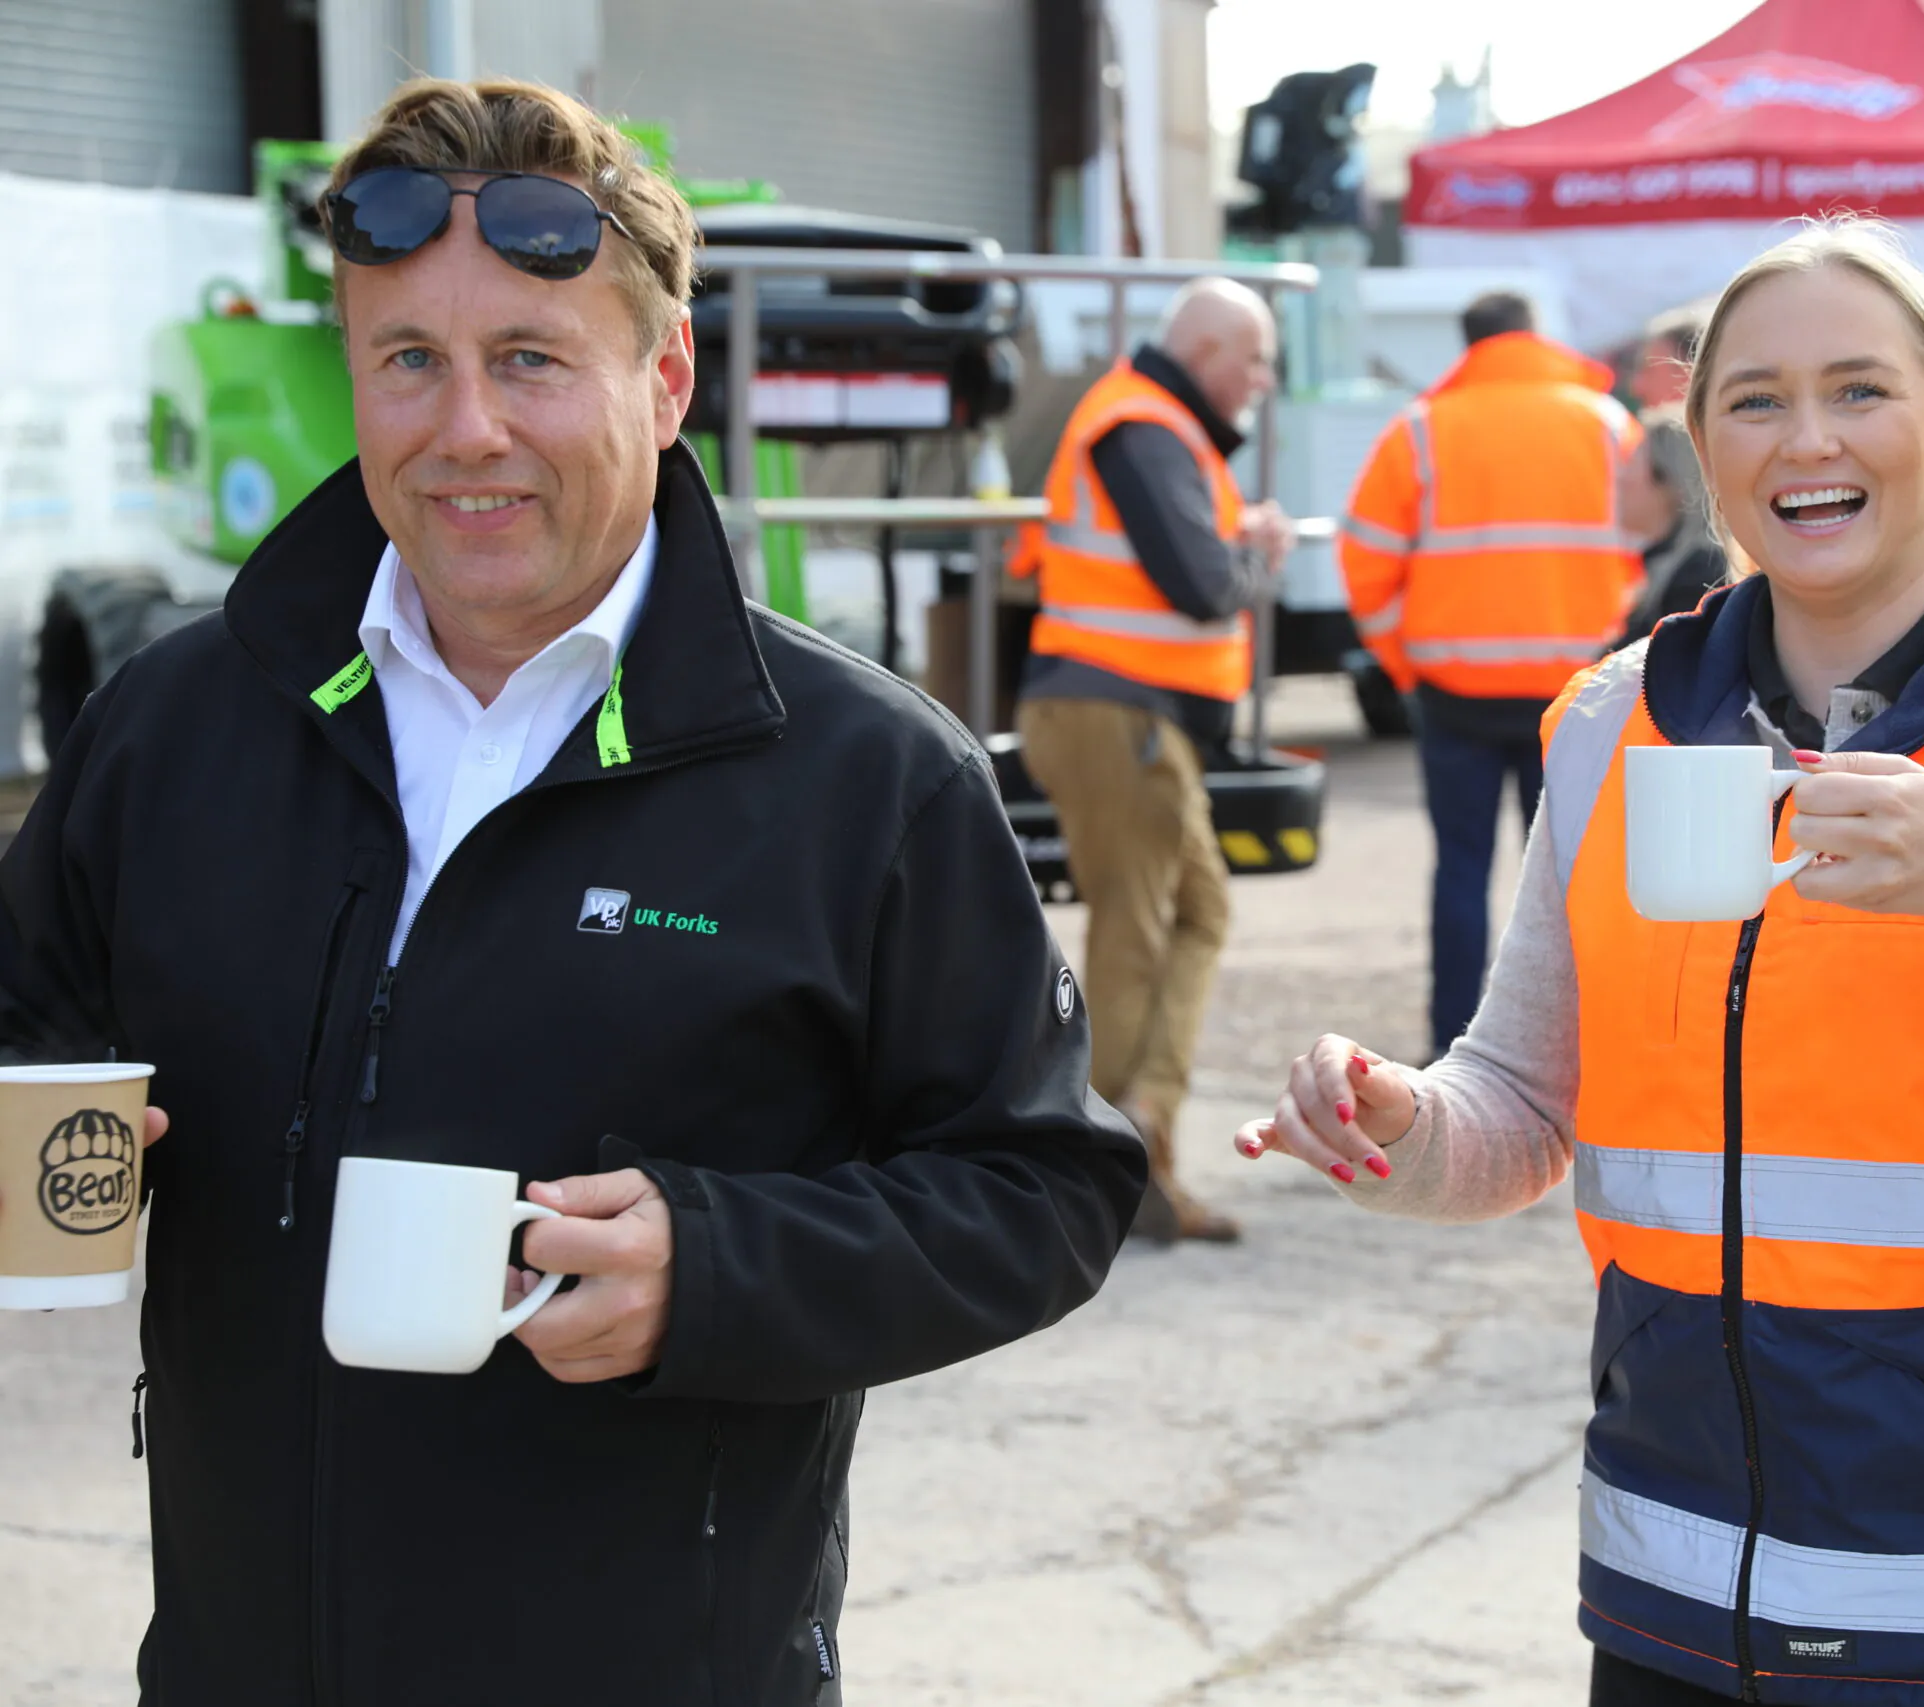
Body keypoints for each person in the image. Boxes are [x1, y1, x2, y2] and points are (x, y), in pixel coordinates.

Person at [0, 78, 1145, 1704]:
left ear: (664, 380)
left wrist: (718, 1268)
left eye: (531, 359)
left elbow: (1044, 1186)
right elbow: (27, 1011)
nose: (466, 428)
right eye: (410, 359)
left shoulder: (866, 780)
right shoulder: (175, 724)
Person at [1241, 218, 1924, 1706]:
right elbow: (1523, 1102)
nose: (1808, 438)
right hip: (1681, 1596)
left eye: (1859, 389)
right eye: (1755, 400)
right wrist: (1401, 1122)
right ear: (1704, 451)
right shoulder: (1614, 725)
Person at [1014, 278, 1294, 1243]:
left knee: (1191, 911)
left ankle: (1141, 1129)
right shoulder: (1143, 424)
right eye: (1255, 359)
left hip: (1125, 715)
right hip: (1115, 713)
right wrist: (1259, 553)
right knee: (1143, 927)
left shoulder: (1153, 423)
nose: (1262, 380)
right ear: (1206, 351)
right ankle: (1105, 1168)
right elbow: (1203, 584)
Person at [1340, 290, 1643, 1058]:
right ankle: (1586, 1046)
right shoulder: (1608, 425)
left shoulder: (1421, 430)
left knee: (1461, 871)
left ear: (1468, 344)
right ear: (1533, 337)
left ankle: (1451, 1042)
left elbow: (1364, 559)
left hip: (1455, 691)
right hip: (1579, 693)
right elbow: (1650, 543)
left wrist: (1402, 662)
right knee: (1578, 877)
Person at [1613, 405, 1728, 648]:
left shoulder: (1699, 579)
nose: (1620, 478)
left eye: (1631, 463)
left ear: (1670, 482)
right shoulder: (1672, 569)